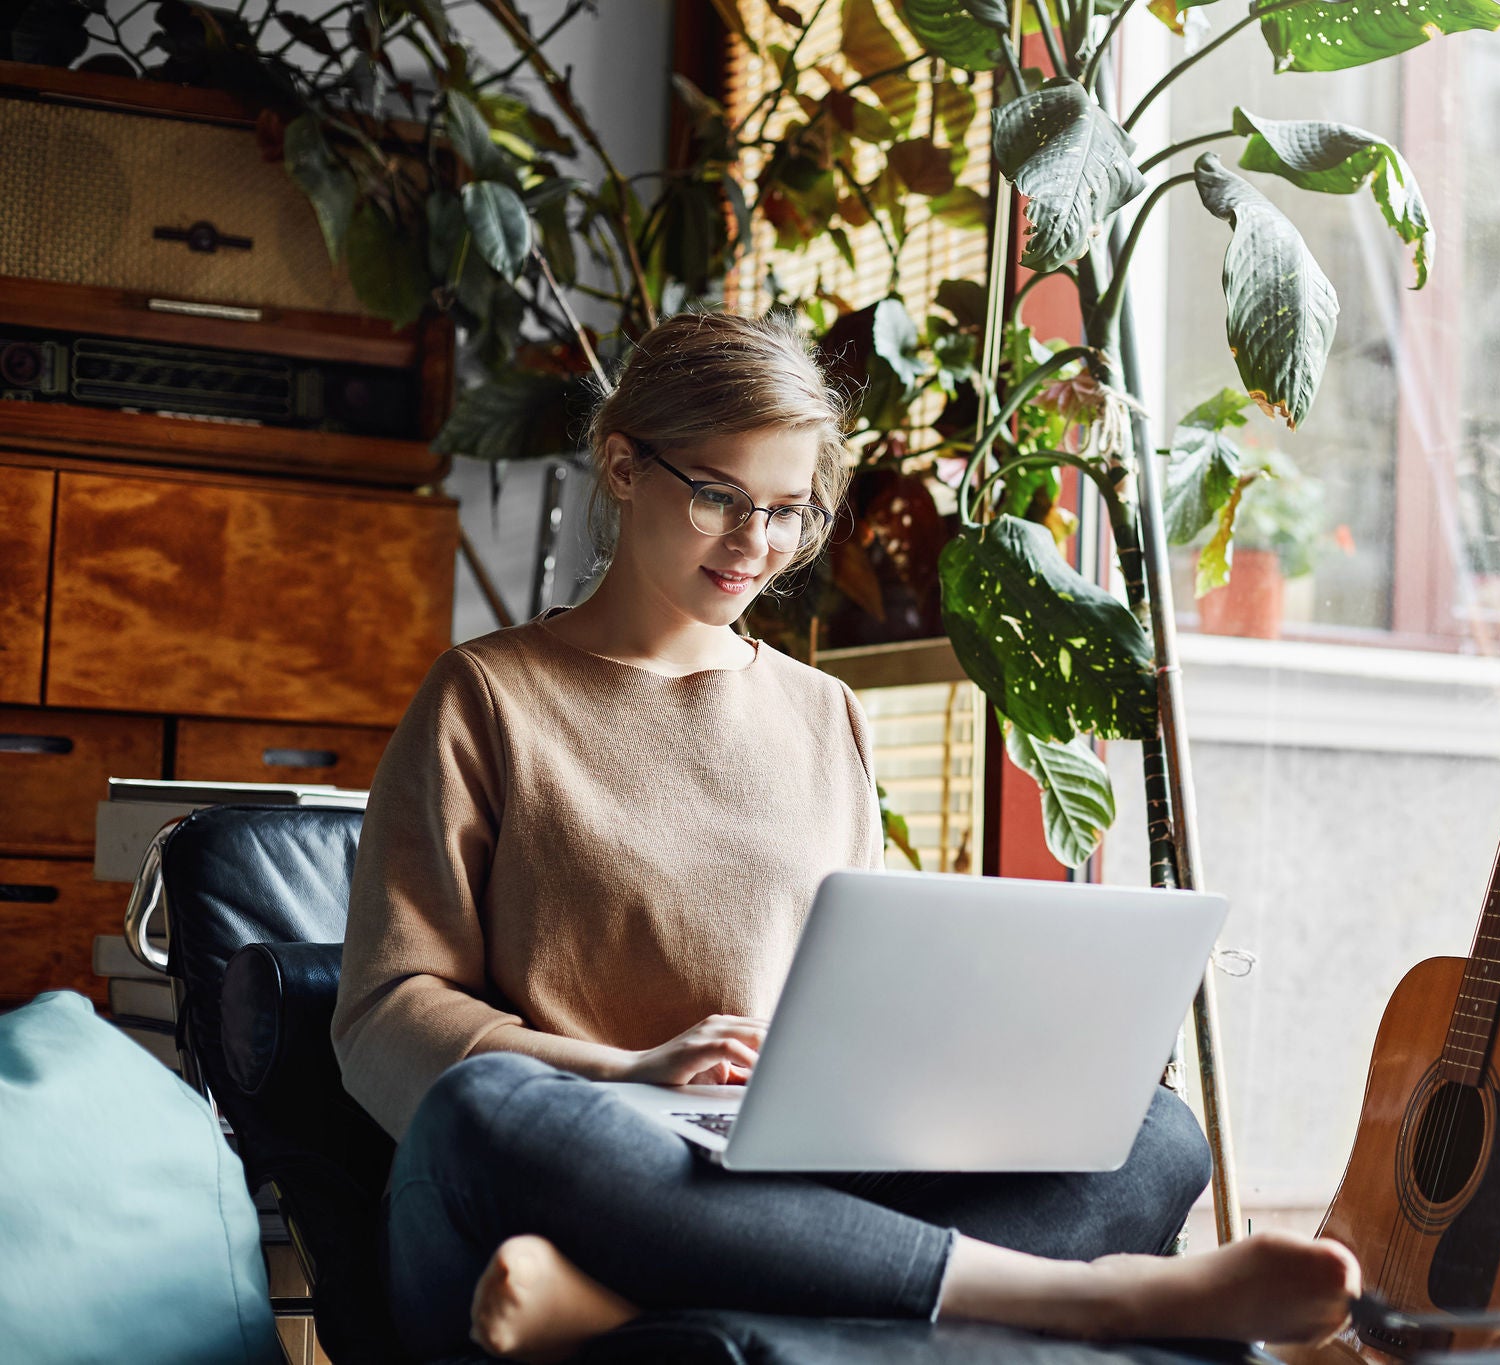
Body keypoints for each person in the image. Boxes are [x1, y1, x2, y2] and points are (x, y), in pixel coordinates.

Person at [332, 311, 1361, 1364]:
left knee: (1150, 1133)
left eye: (787, 510)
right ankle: (1085, 1302)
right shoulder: (485, 697)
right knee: (487, 1106)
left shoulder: (825, 713)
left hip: (800, 1184)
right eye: (716, 498)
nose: (754, 545)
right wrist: (624, 1071)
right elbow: (380, 1019)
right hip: (587, 1171)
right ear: (622, 467)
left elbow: (864, 989)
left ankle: (645, 1325)